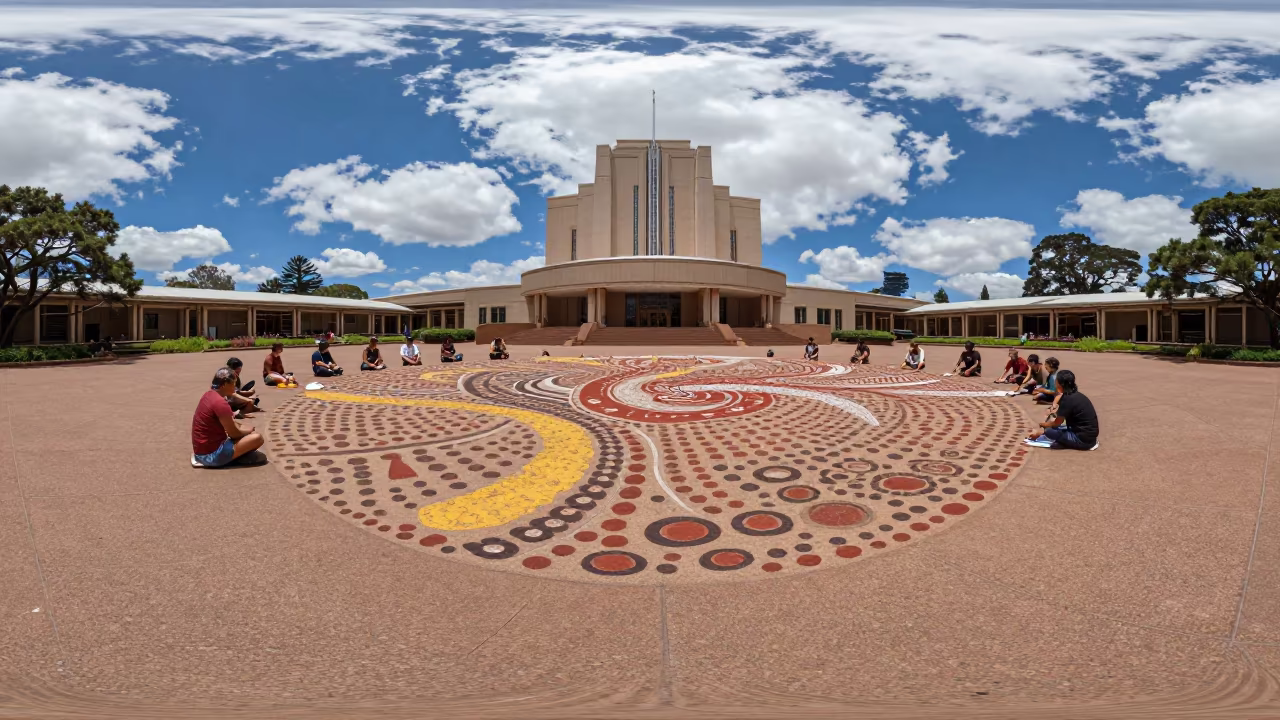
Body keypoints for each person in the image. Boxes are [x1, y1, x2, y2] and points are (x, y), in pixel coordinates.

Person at [191, 367, 265, 468]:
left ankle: (237, 455)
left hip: (201, 451)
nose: (235, 388)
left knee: (246, 431)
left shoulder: (209, 395)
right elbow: (233, 434)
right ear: (225, 384)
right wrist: (248, 432)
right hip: (210, 456)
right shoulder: (220, 403)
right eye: (233, 384)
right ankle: (233, 458)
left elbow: (230, 423)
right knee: (257, 438)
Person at [1026, 370, 1099, 450]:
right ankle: (1063, 442)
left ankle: (1065, 443)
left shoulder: (1067, 400)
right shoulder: (1077, 395)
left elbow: (1057, 423)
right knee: (1056, 427)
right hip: (1090, 437)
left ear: (1060, 384)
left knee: (1049, 431)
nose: (1055, 382)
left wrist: (1043, 427)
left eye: (1056, 381)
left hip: (1082, 440)